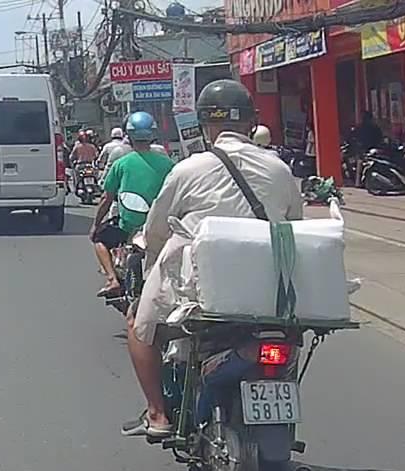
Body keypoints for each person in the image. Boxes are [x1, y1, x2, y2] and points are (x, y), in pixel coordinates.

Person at [121, 79, 304, 437]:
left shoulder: (188, 169)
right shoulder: (279, 169)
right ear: (251, 123)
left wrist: (151, 267)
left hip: (200, 289)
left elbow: (156, 231)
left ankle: (157, 415)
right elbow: (295, 226)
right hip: (270, 288)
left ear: (205, 125)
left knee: (138, 327)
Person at [88, 111, 175, 298]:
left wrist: (96, 224)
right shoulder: (168, 164)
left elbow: (106, 198)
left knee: (99, 239)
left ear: (129, 135)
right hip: (160, 226)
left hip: (127, 227)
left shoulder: (121, 163)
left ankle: (112, 279)